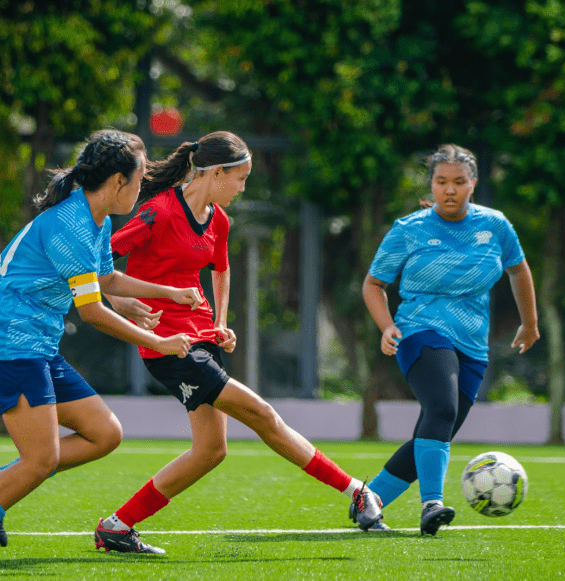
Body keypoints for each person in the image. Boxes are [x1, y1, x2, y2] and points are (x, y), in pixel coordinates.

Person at [92, 131, 384, 556]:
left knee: (211, 451)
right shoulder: (159, 212)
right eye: (241, 178)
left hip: (200, 339)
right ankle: (356, 491)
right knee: (262, 413)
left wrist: (221, 322)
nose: (243, 188)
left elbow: (220, 270)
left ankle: (117, 526)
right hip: (168, 345)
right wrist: (125, 305)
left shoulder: (220, 220)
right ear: (215, 172)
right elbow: (102, 268)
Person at [0, 129, 202, 569]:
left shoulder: (97, 221)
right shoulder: (71, 225)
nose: (144, 181)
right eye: (140, 175)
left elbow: (106, 282)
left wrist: (168, 292)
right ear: (116, 183)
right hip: (10, 347)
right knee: (41, 459)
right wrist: (158, 341)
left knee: (104, 433)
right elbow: (91, 310)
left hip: (38, 347)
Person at [354, 144, 539, 536]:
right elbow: (373, 285)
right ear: (431, 185)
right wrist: (387, 326)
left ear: (473, 183)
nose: (449, 190)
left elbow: (519, 270)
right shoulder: (410, 229)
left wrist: (530, 322)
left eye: (458, 182)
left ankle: (369, 500)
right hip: (420, 330)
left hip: (472, 344)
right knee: (441, 408)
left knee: (438, 425)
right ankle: (431, 505)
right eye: (441, 182)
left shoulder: (496, 226)